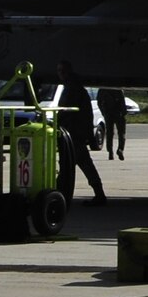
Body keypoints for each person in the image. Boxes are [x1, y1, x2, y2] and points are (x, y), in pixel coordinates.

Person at [56, 60, 107, 204]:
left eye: (62, 71)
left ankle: (60, 194)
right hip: (74, 133)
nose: (60, 74)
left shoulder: (72, 89)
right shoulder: (75, 87)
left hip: (73, 134)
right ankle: (61, 193)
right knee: (74, 165)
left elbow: (67, 111)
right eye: (59, 71)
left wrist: (57, 123)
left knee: (77, 165)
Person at [97, 84, 128, 160]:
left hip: (108, 113)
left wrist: (103, 112)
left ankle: (110, 151)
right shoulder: (118, 88)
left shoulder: (102, 89)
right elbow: (122, 102)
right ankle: (120, 149)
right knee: (121, 133)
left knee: (109, 133)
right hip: (118, 113)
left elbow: (99, 102)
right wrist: (123, 113)